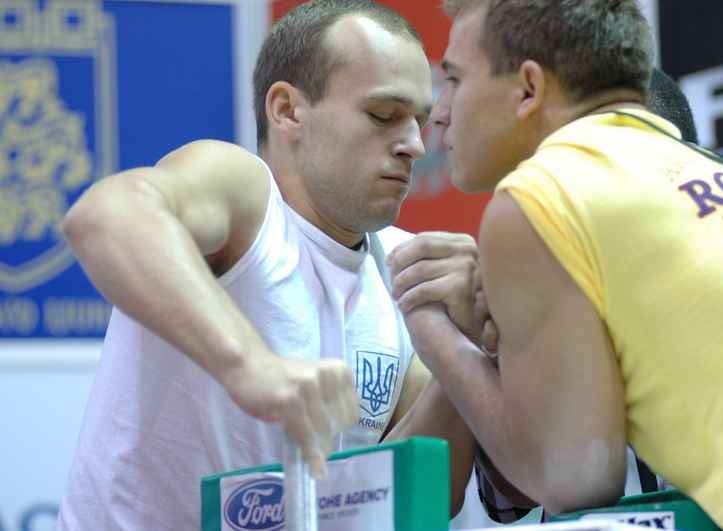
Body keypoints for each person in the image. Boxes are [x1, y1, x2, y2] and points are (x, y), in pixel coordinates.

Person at [55, 2, 478, 529]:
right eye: (384, 116)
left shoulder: (404, 266)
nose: (416, 145)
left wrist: (471, 351)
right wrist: (251, 367)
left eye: (419, 119)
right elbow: (103, 216)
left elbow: (414, 497)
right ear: (287, 110)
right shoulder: (245, 195)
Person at [389, 1, 723, 530]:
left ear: (529, 89)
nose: (439, 112)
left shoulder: (543, 191)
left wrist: (430, 324)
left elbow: (575, 480)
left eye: (455, 80)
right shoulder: (718, 171)